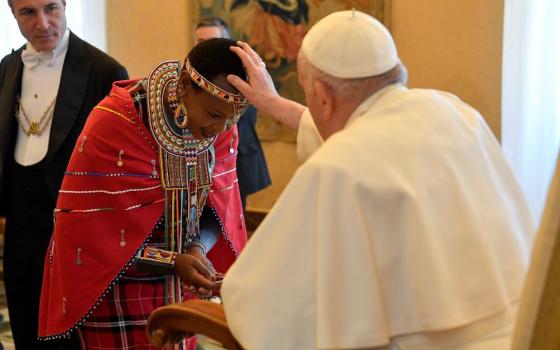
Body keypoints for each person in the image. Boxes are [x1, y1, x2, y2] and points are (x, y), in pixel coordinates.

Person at [218, 10, 535, 349]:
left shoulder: (336, 166)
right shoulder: (456, 114)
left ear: (323, 96)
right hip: (524, 333)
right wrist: (277, 105)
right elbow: (359, 129)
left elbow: (260, 305)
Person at [38, 38, 248, 350]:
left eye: (232, 119)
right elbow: (86, 234)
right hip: (115, 289)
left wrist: (197, 249)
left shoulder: (221, 127)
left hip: (181, 285)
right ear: (184, 87)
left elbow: (217, 209)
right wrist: (169, 260)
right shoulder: (117, 120)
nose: (221, 129)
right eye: (213, 115)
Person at [0, 0, 128, 349]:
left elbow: (121, 163)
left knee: (70, 331)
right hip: (18, 220)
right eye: (28, 12)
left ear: (65, 4)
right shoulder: (7, 68)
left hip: (76, 225)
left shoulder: (105, 71)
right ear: (13, 15)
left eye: (51, 8)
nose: (42, 23)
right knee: (24, 316)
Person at [195, 16, 271, 209]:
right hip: (199, 160)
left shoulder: (244, 72)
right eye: (201, 42)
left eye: (213, 41)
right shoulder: (191, 73)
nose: (207, 48)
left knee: (235, 216)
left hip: (237, 155)